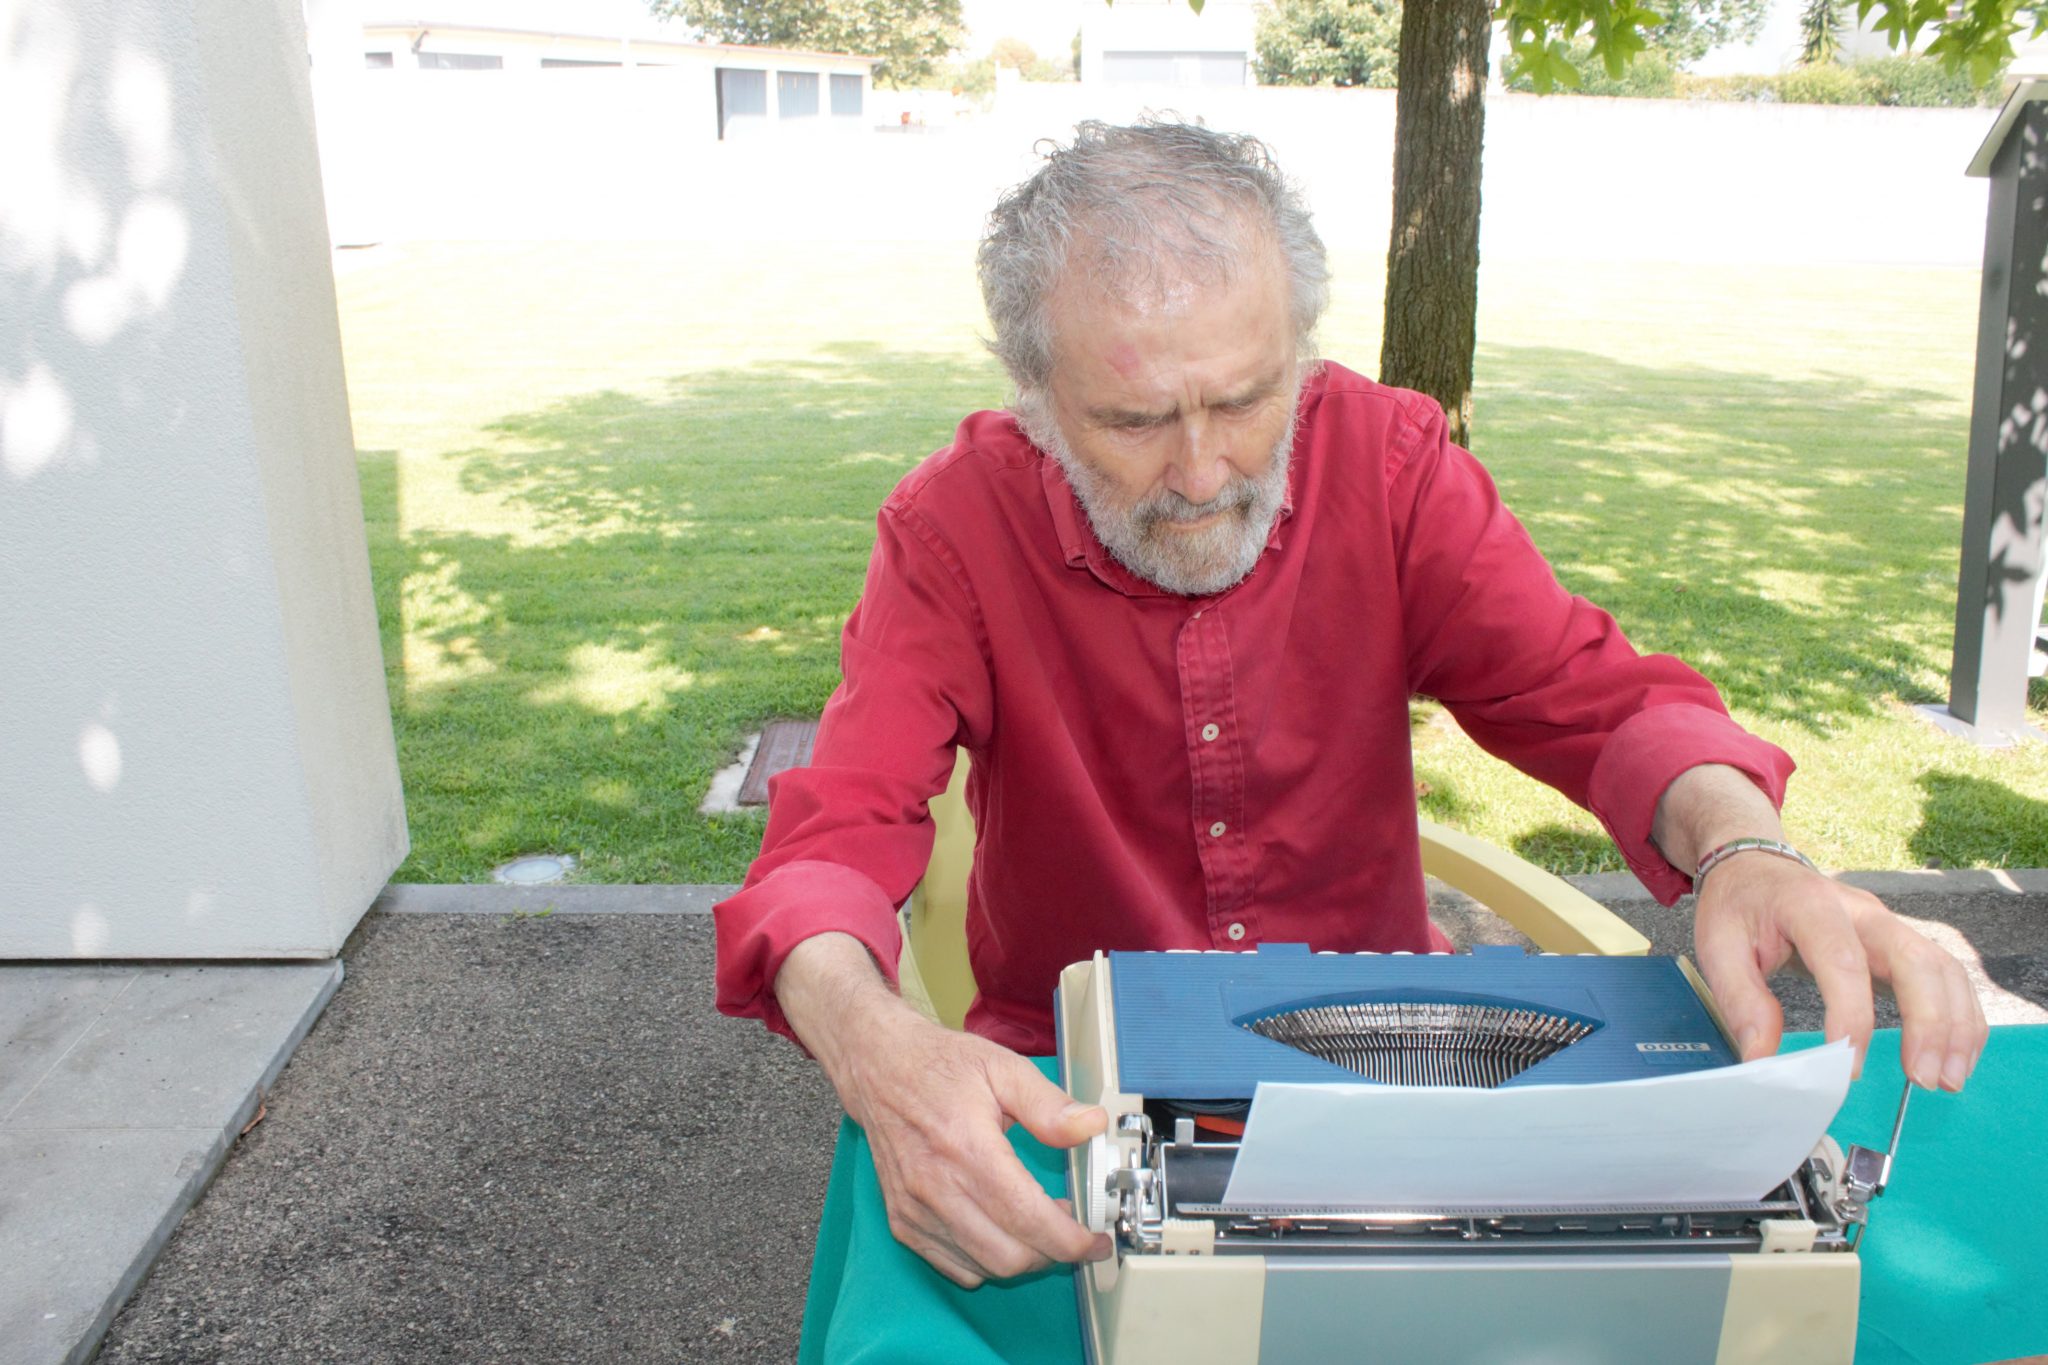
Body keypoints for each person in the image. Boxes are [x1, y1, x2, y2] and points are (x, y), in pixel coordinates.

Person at [713, 119, 1987, 1289]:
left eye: (1245, 397)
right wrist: (875, 1045)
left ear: (1302, 349)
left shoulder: (1388, 466)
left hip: (1393, 1081)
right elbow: (831, 841)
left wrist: (1743, 847)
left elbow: (1590, 697)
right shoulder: (951, 527)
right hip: (1074, 1100)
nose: (1202, 472)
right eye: (1135, 420)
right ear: (1034, 400)